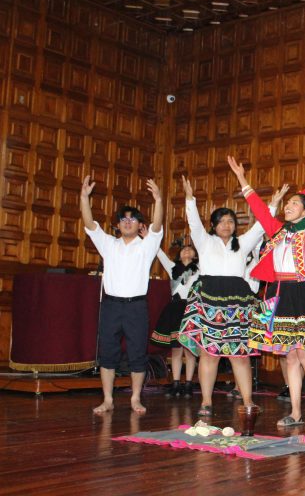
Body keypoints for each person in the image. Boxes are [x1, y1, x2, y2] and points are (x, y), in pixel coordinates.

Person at [230, 153, 305, 428]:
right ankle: (296, 411)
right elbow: (261, 211)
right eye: (287, 203)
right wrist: (242, 179)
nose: (288, 206)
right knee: (290, 355)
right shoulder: (277, 231)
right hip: (280, 295)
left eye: (294, 203)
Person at [177, 176, 279, 418]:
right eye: (221, 221)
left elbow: (260, 227)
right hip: (208, 299)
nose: (226, 225)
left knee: (239, 355)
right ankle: (206, 402)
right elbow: (193, 222)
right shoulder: (204, 241)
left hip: (237, 302)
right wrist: (190, 198)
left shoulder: (242, 244)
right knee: (209, 353)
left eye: (231, 221)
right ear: (213, 225)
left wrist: (273, 205)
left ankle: (248, 401)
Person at [80, 175, 164, 415]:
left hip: (136, 307)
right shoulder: (108, 244)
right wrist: (84, 198)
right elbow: (89, 224)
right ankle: (107, 399)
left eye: (133, 219)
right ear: (118, 225)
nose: (128, 222)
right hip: (111, 306)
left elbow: (157, 227)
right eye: (124, 219)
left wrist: (158, 200)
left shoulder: (147, 246)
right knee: (108, 352)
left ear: (139, 225)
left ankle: (136, 398)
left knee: (138, 352)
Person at [149, 243, 200, 398]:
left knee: (190, 350)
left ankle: (189, 384)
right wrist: (150, 239)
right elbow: (161, 255)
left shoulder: (199, 269)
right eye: (183, 249)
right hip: (175, 310)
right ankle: (176, 383)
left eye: (190, 249)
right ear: (178, 256)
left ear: (195, 255)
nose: (186, 250)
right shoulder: (172, 268)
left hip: (190, 310)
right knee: (176, 350)